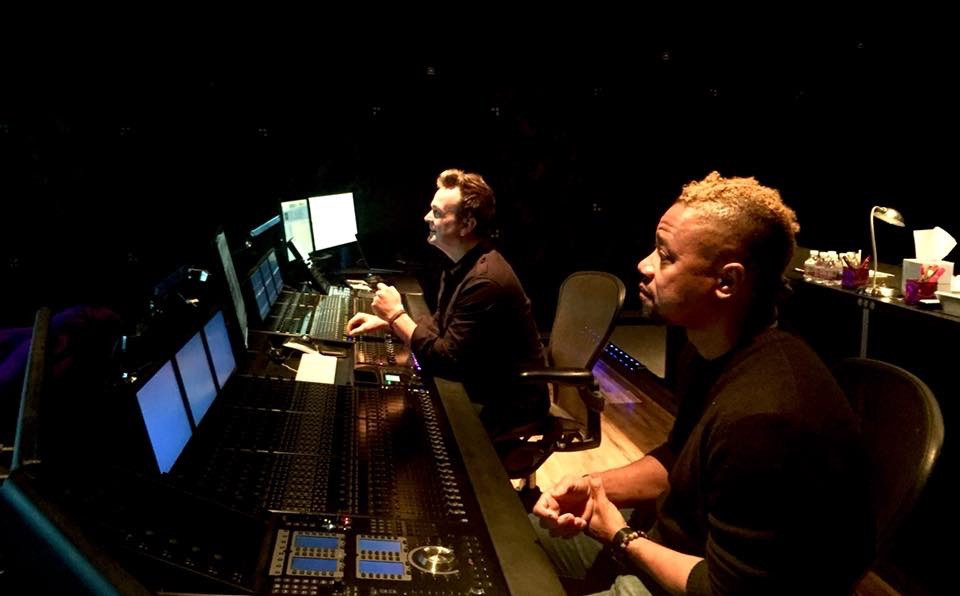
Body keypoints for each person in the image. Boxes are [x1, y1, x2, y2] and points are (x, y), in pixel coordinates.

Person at [532, 172, 873, 595]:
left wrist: (620, 537)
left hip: (703, 579)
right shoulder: (705, 350)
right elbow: (680, 459)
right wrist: (594, 486)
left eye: (666, 256)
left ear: (727, 282)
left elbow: (727, 587)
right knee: (512, 540)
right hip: (670, 544)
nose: (644, 265)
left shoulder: (766, 418)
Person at [346, 169, 547, 434]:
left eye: (437, 213)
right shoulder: (461, 264)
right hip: (480, 383)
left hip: (506, 401)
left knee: (384, 428)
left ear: (467, 225)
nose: (426, 217)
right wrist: (389, 324)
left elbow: (447, 360)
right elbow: (440, 329)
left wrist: (396, 316)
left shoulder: (485, 281)